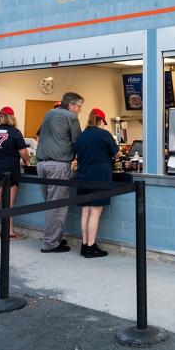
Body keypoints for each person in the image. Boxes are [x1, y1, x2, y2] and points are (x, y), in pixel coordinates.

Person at [36, 91, 83, 253]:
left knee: (50, 205)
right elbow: (78, 143)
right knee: (57, 207)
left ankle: (53, 239)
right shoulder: (71, 117)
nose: (80, 110)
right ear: (71, 105)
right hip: (58, 165)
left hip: (41, 164)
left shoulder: (49, 113)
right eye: (79, 106)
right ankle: (50, 243)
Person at [74, 108, 119, 258]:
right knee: (95, 213)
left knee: (85, 211)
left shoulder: (82, 135)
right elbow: (116, 153)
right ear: (101, 121)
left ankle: (84, 245)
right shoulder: (104, 134)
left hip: (82, 175)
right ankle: (91, 247)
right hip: (99, 176)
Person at [0, 107, 29, 239]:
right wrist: (27, 162)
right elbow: (24, 152)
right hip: (9, 172)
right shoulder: (14, 132)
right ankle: (9, 232)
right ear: (11, 117)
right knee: (8, 203)